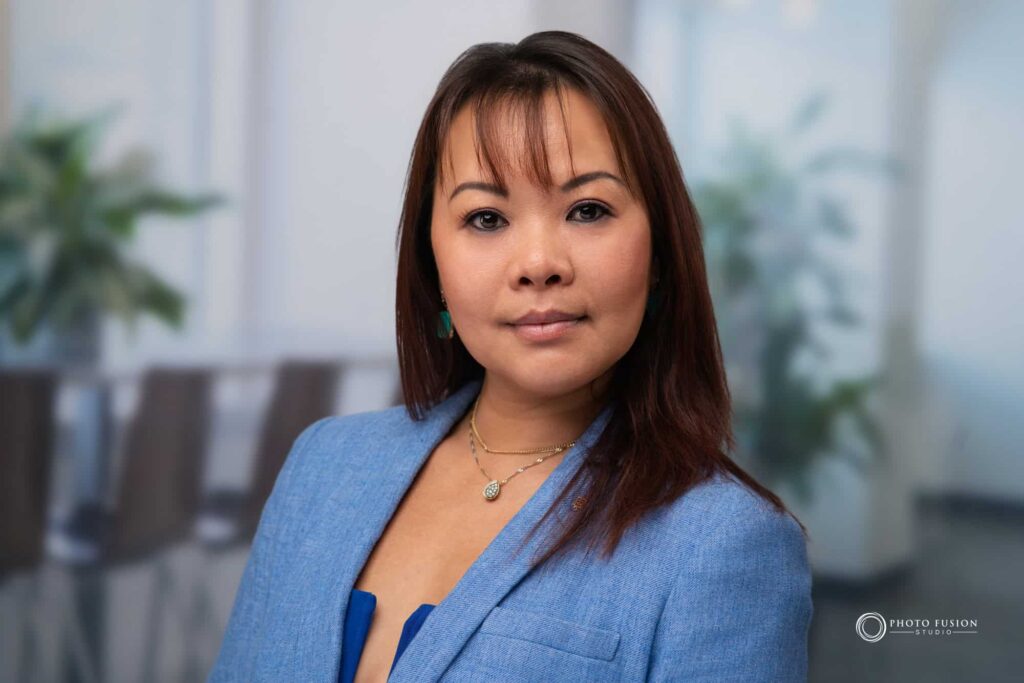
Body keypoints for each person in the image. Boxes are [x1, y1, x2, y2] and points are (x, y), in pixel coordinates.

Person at [209, 30, 812, 683]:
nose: (538, 265)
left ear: (660, 253)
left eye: (587, 209)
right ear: (431, 261)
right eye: (487, 219)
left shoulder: (726, 543)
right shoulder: (323, 466)